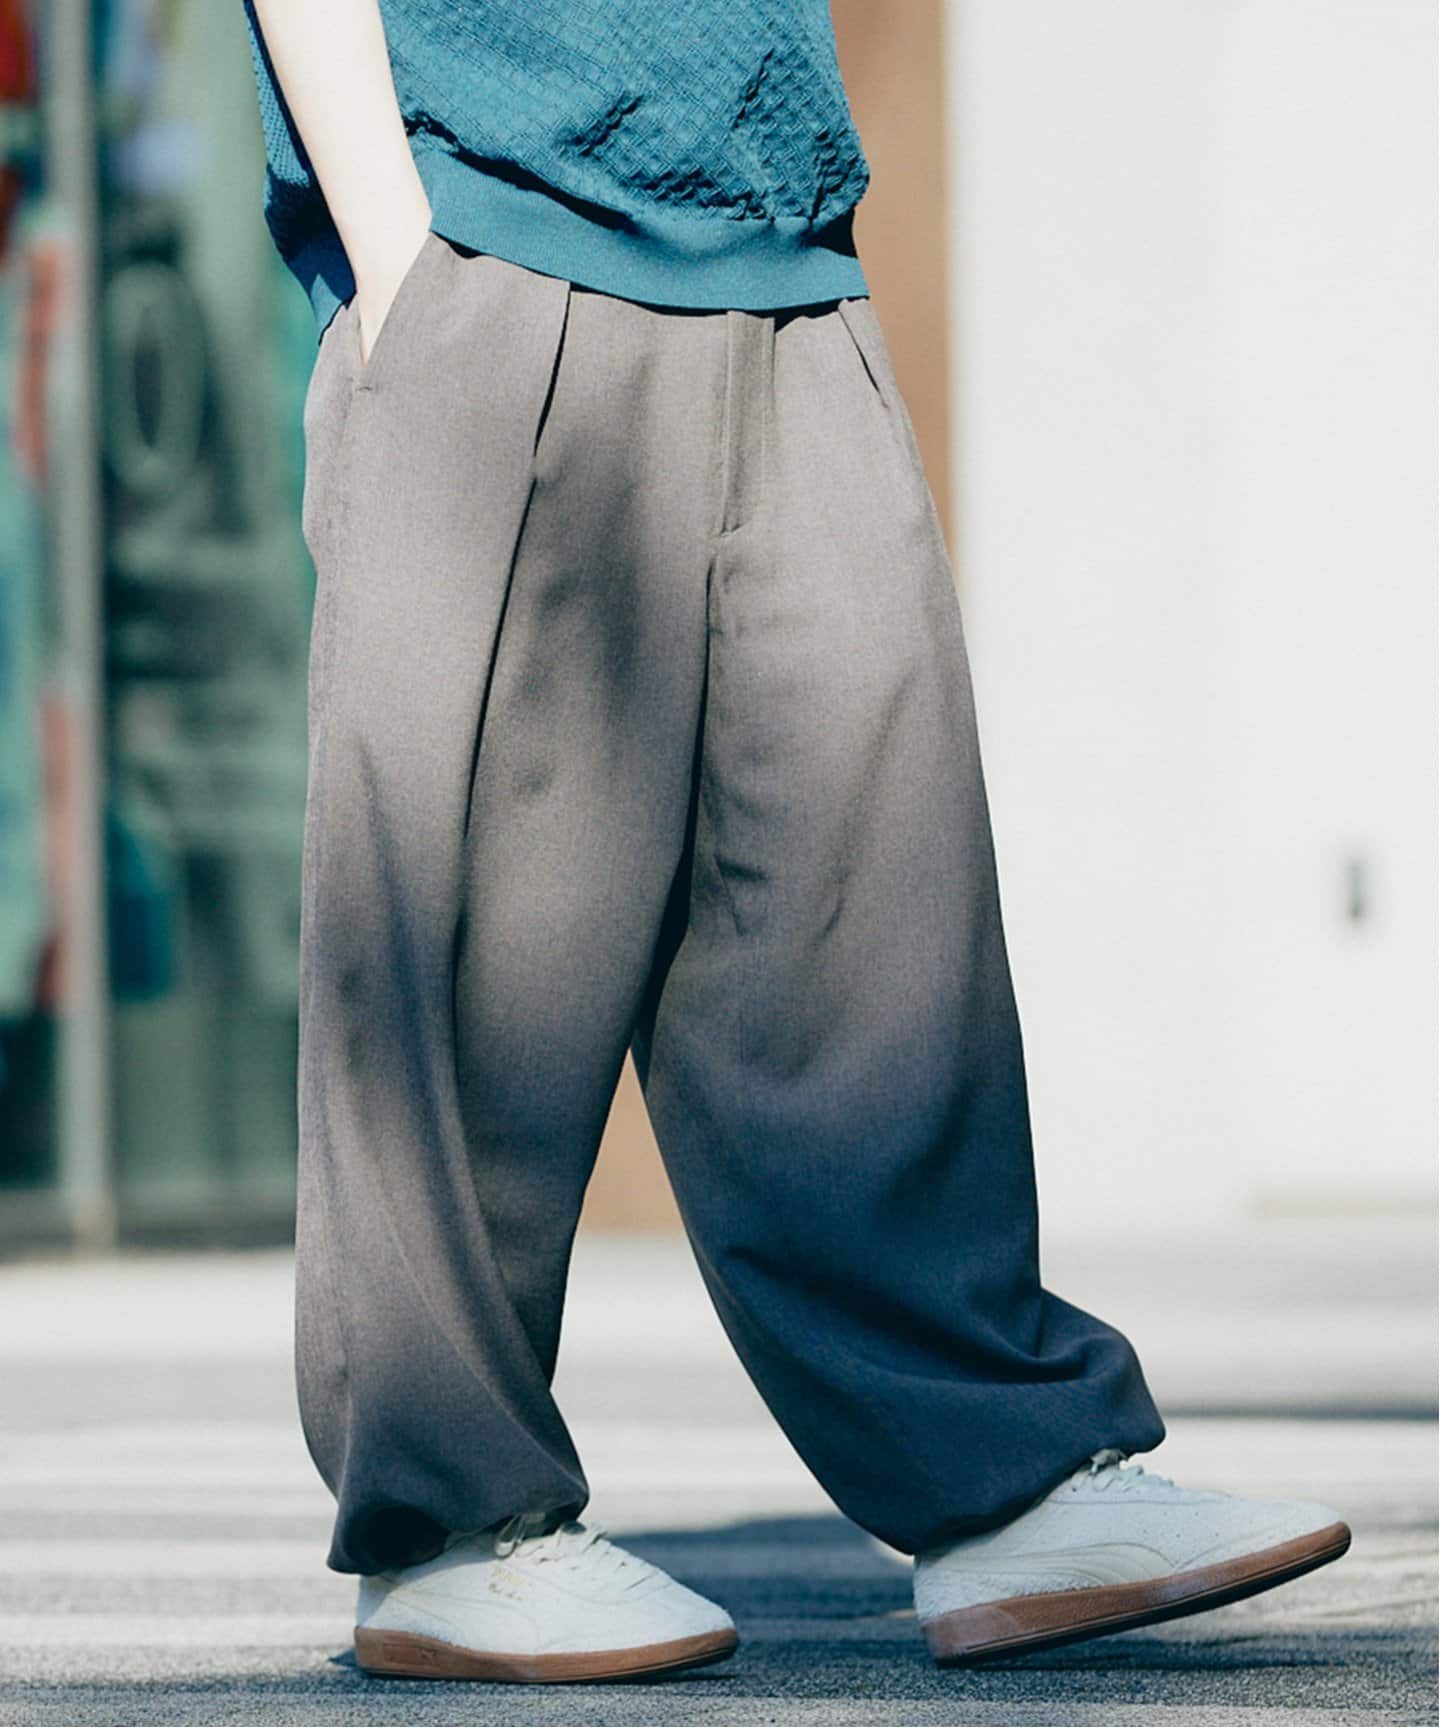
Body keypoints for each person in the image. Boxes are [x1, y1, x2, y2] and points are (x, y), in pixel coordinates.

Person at [241, 0, 1351, 1684]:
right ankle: (451, 1528)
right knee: (483, 943)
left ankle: (1001, 1476)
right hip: (493, 219)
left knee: (867, 893)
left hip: (783, 235)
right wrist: (406, 265)